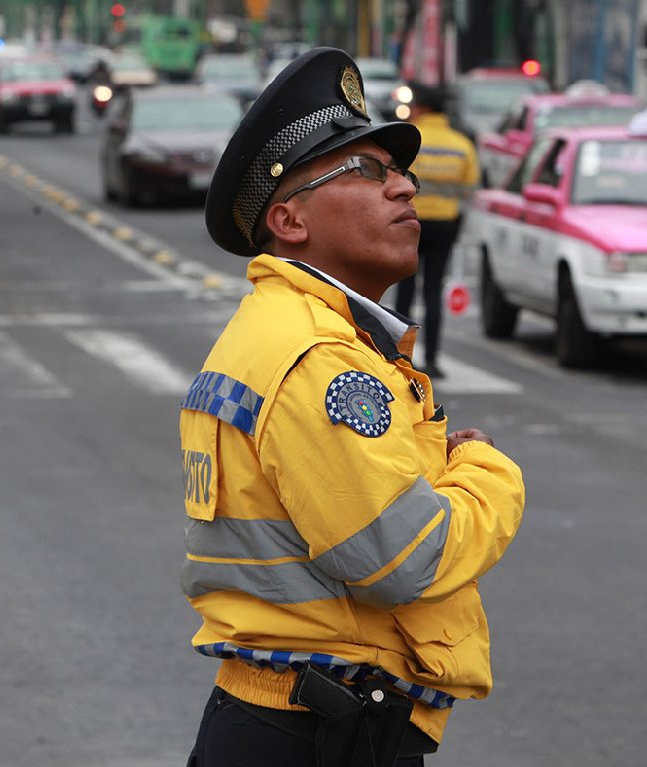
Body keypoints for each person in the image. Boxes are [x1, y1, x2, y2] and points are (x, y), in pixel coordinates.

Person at [181, 48, 526, 767]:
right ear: (289, 219)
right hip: (317, 736)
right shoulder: (317, 355)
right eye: (368, 172)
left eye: (400, 171)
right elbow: (407, 557)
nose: (404, 188)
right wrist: (489, 472)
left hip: (290, 718)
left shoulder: (291, 330)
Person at [392, 82, 479, 379]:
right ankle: (432, 358)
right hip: (444, 225)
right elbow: (469, 190)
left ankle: (401, 356)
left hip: (408, 223)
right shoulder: (461, 145)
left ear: (424, 108)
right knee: (433, 292)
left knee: (405, 291)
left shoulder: (409, 140)